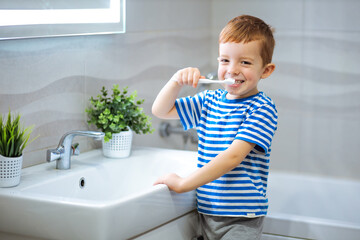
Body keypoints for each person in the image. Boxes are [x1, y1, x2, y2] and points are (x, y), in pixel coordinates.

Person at [152, 15, 278, 240]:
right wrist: (175, 82)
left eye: (245, 62)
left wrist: (182, 184)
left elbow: (233, 157)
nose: (232, 70)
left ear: (266, 70)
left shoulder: (262, 108)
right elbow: (160, 111)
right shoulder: (209, 100)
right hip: (207, 212)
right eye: (225, 60)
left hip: (242, 218)